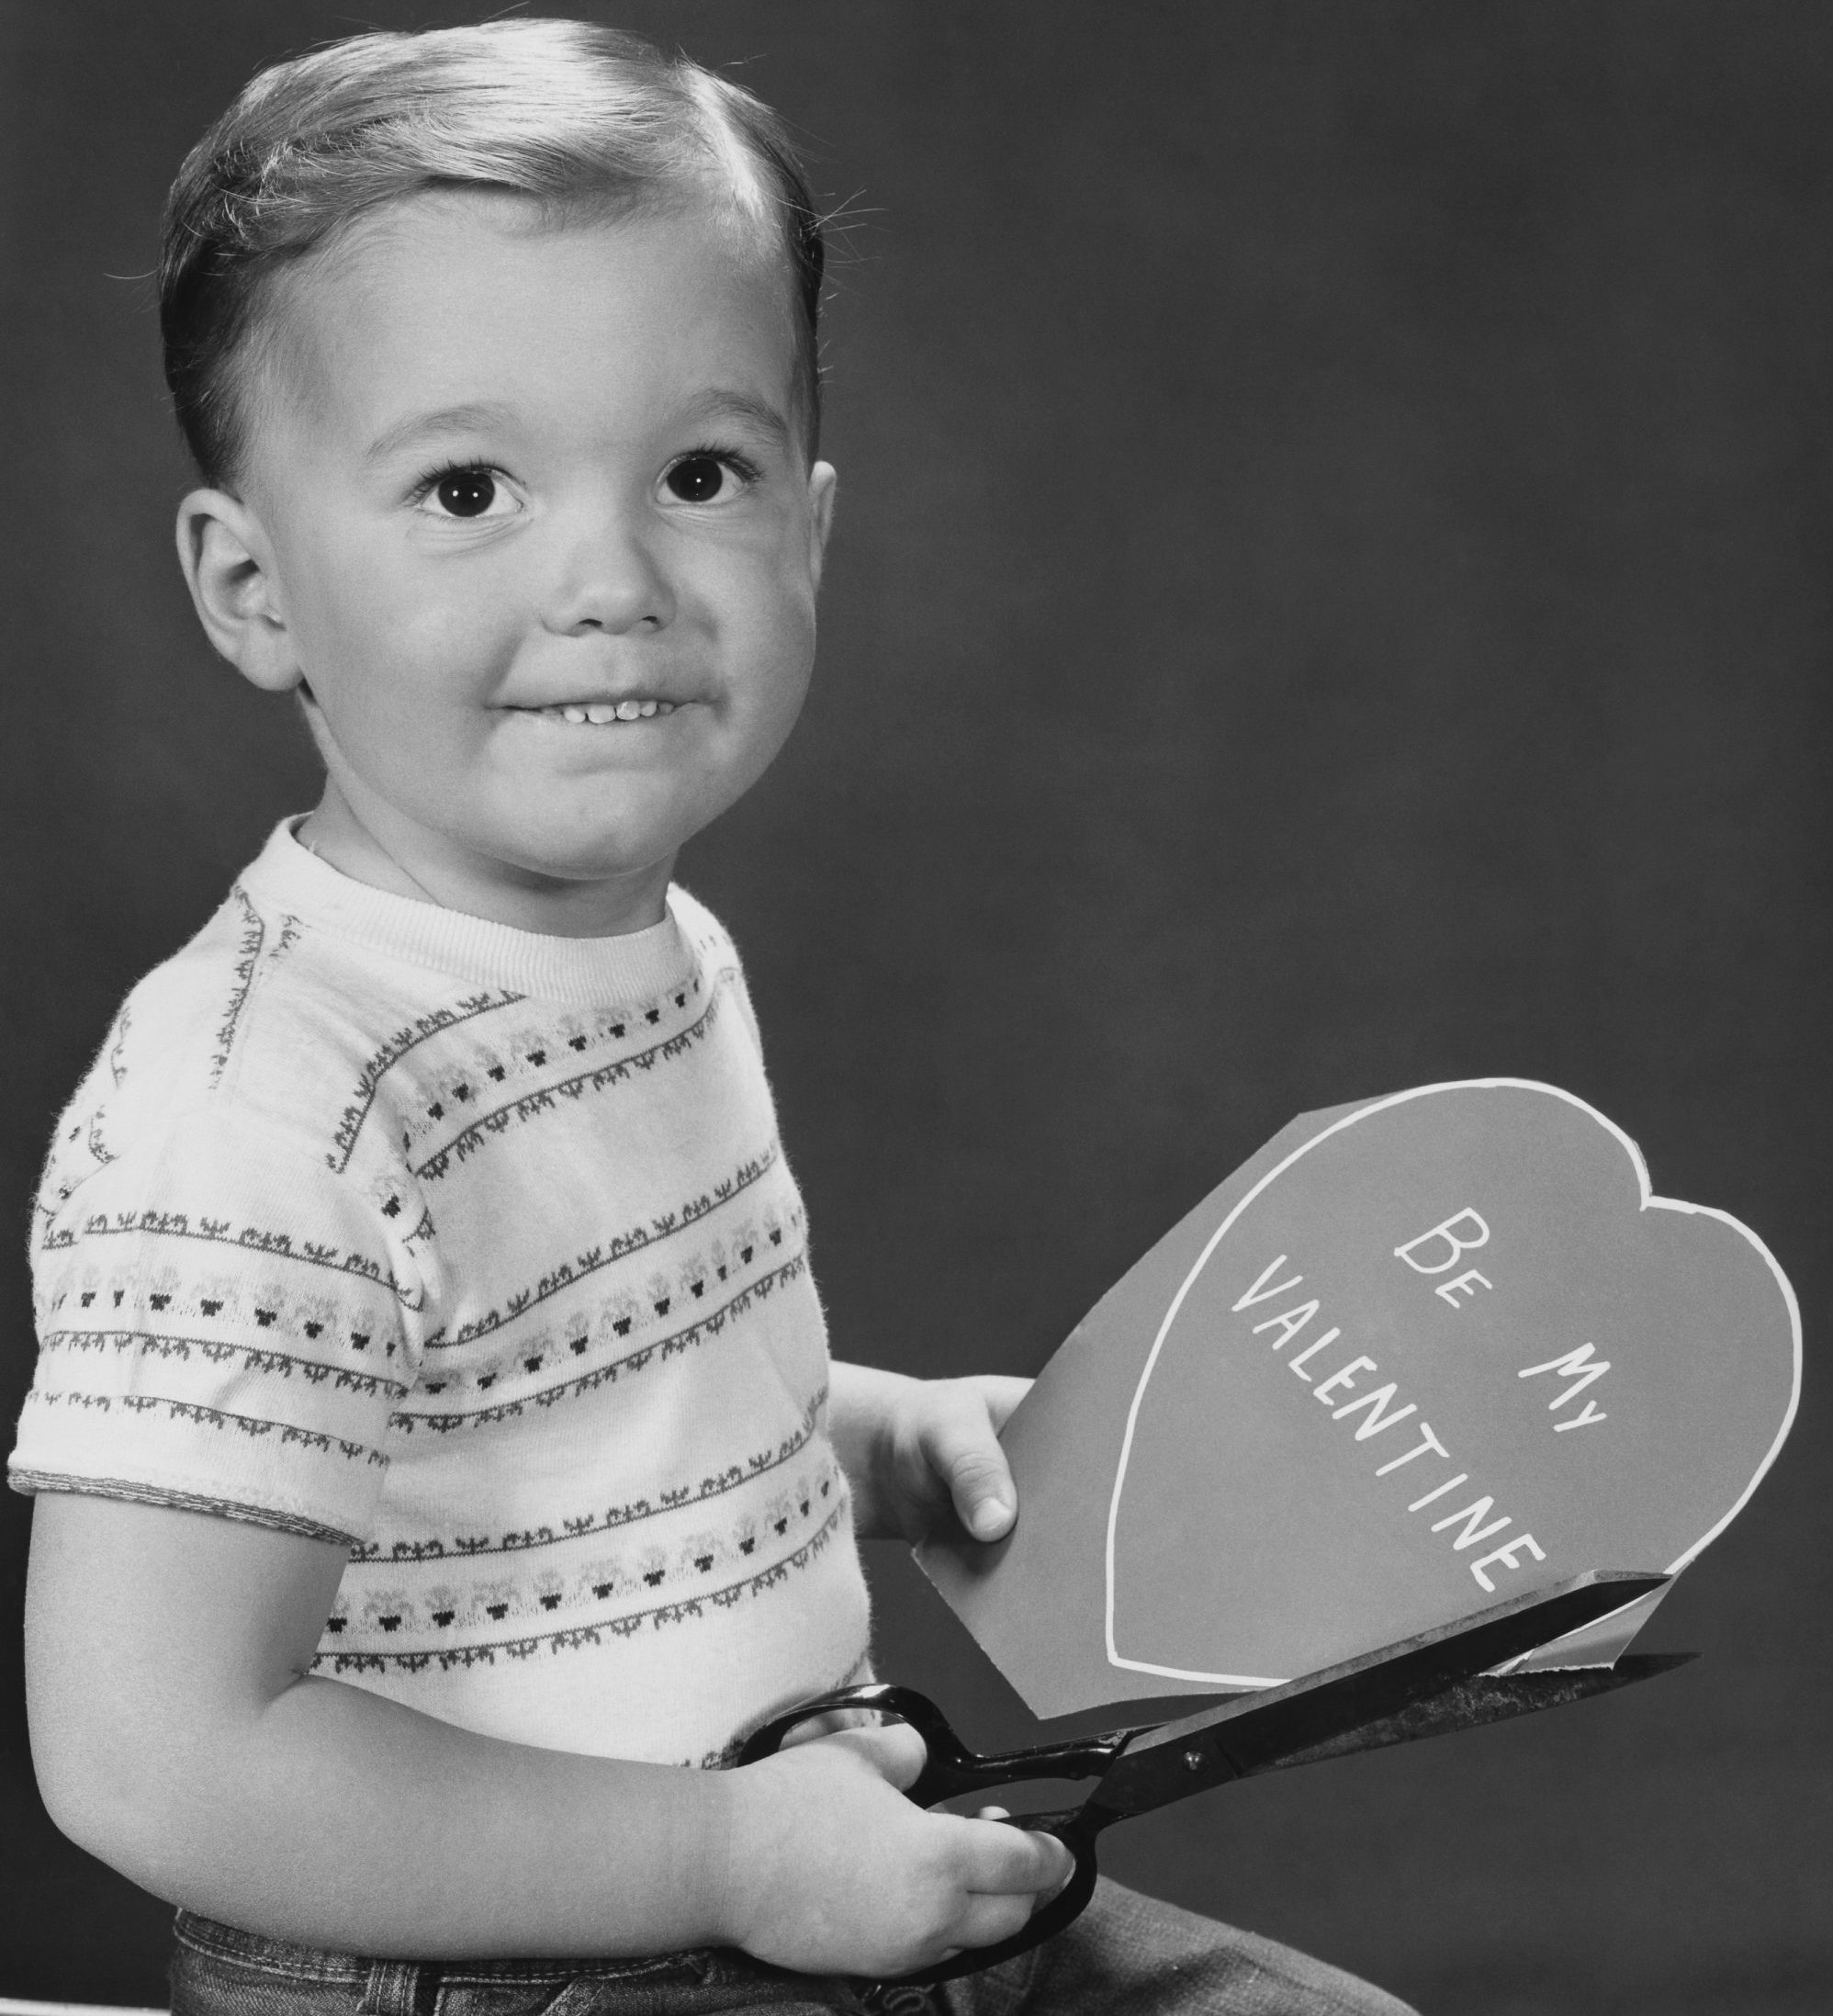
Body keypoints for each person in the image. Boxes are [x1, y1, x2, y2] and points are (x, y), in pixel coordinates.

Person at [11, 21, 1416, 2016]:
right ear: (253, 589)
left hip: (811, 1851)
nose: (613, 577)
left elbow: (557, 1425)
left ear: (810, 531)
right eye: (469, 486)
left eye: (698, 471)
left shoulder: (642, 955)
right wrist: (724, 1857)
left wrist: (870, 1441)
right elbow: (158, 1755)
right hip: (489, 1963)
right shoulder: (264, 1108)